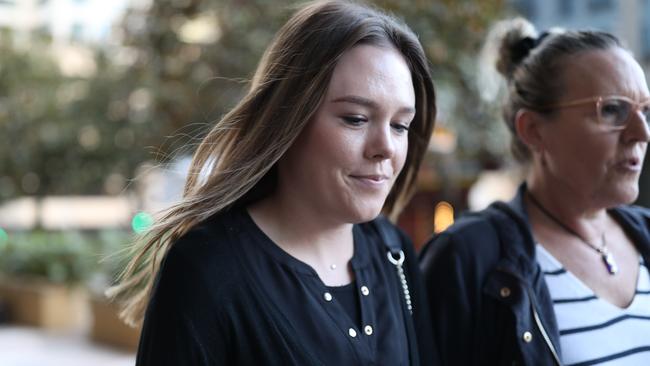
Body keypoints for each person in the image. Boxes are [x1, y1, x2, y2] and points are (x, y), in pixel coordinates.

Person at [110, 1, 437, 365]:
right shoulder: (207, 269)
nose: (386, 148)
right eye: (356, 119)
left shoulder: (394, 252)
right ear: (288, 119)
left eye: (400, 125)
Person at [420, 18, 650, 366]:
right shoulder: (469, 259)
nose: (641, 133)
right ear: (533, 130)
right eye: (613, 110)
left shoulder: (646, 235)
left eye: (645, 111)